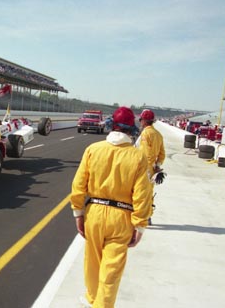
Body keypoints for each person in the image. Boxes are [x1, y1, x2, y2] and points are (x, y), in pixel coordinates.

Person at [68, 106, 153, 308]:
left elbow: (78, 185)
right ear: (131, 129)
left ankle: (91, 299)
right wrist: (139, 225)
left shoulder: (93, 149)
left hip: (94, 213)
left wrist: (78, 213)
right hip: (122, 216)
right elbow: (142, 194)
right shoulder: (138, 156)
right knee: (111, 270)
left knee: (92, 262)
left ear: (111, 125)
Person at [136, 109, 166, 224]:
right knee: (149, 192)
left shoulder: (145, 133)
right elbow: (162, 153)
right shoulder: (158, 135)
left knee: (140, 192)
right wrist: (157, 166)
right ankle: (148, 216)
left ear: (144, 120)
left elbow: (145, 153)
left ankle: (141, 216)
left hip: (145, 167)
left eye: (140, 120)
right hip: (153, 168)